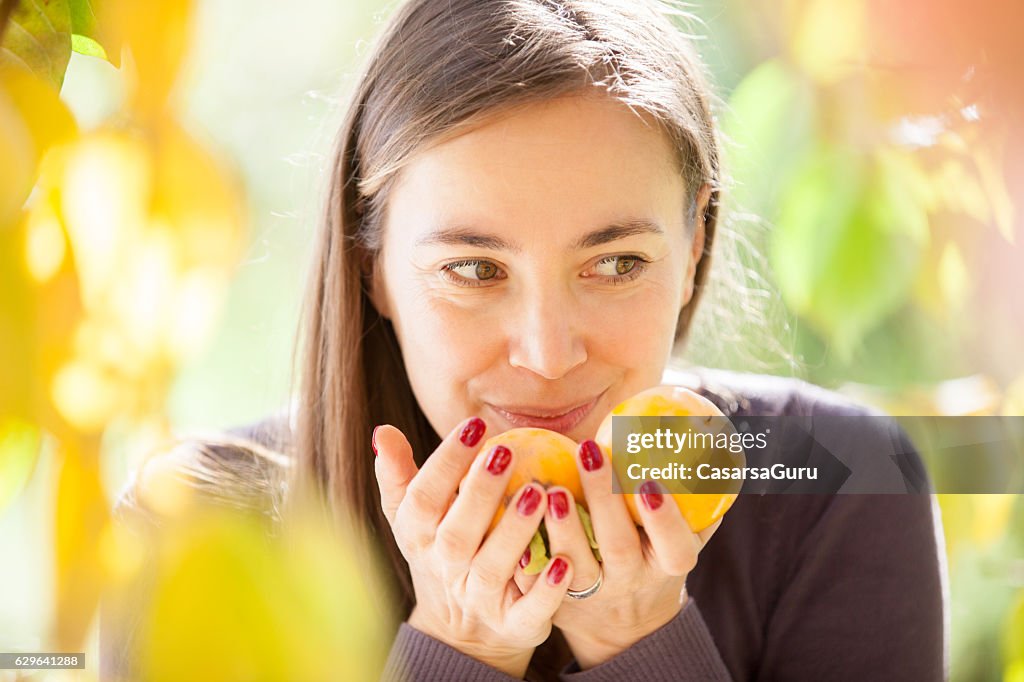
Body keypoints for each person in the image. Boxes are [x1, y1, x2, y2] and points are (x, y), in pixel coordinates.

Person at [104, 0, 948, 680]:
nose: (547, 356)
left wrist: (639, 640)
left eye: (616, 262)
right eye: (475, 271)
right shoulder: (194, 532)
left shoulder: (843, 488)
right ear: (374, 271)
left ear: (692, 253)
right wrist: (457, 652)